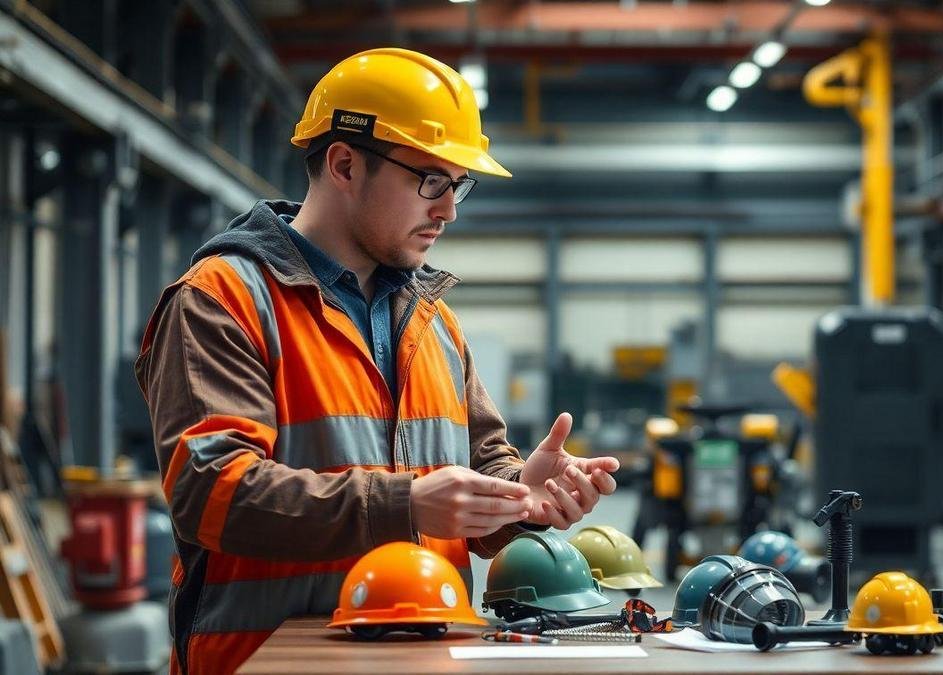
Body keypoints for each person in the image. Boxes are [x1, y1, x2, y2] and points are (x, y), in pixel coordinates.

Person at [135, 48, 619, 675]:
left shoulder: (432, 319)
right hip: (265, 662)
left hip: (425, 658)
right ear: (344, 163)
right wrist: (406, 504)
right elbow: (210, 493)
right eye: (430, 181)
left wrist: (521, 498)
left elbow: (480, 465)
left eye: (457, 187)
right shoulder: (223, 300)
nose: (447, 210)